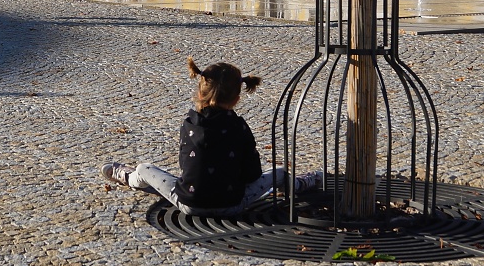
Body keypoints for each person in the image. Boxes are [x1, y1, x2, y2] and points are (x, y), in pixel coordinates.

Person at [101, 58, 322, 217]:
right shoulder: (239, 127)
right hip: (233, 204)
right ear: (237, 99)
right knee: (279, 173)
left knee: (144, 168)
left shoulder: (189, 124)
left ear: (199, 92)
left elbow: (186, 166)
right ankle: (300, 184)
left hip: (189, 203)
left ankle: (130, 178)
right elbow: (253, 174)